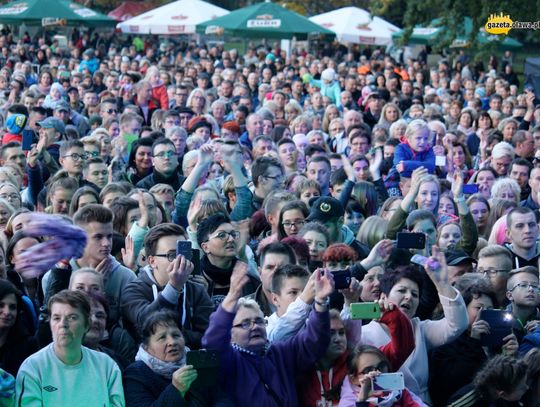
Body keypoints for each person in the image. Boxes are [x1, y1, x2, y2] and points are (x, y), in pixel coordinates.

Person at [202, 262, 333, 406]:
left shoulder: (281, 352)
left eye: (259, 321)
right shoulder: (231, 360)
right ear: (230, 333)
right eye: (245, 323)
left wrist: (320, 301)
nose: (255, 327)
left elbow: (314, 342)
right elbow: (213, 342)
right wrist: (232, 297)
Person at [361, 247, 468, 404]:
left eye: (415, 294)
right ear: (383, 296)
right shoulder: (364, 334)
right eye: (402, 291)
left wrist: (442, 283)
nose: (409, 297)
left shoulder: (420, 329)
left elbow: (457, 325)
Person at [16, 290, 124, 406]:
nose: (63, 324)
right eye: (57, 318)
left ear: (86, 324)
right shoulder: (32, 368)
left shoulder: (107, 366)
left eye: (72, 317)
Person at [122, 223, 213, 348]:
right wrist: (174, 287)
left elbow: (209, 337)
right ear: (152, 261)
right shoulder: (133, 290)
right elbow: (145, 323)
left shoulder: (196, 289)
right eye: (172, 255)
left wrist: (167, 335)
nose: (180, 261)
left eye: (184, 254)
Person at [123, 310, 231, 407]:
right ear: (147, 348)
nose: (172, 342)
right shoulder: (136, 374)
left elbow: (221, 399)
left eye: (176, 335)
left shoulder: (196, 363)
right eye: (162, 337)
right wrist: (176, 389)